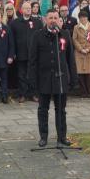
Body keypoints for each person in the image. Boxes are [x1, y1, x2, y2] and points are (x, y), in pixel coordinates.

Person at [28, 9, 77, 147]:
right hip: (43, 78)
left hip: (60, 79)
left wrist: (73, 78)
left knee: (61, 110)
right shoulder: (37, 35)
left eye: (56, 17)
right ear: (45, 20)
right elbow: (32, 60)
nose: (53, 20)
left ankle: (62, 137)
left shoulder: (65, 34)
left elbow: (70, 59)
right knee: (43, 109)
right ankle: (43, 136)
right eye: (50, 18)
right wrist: (32, 80)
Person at [9, 2, 42, 102]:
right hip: (20, 53)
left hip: (34, 53)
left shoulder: (37, 22)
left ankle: (34, 94)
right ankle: (22, 94)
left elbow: (41, 38)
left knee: (33, 74)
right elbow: (11, 39)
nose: (28, 10)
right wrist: (13, 52)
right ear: (21, 10)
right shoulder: (15, 23)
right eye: (26, 8)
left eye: (29, 8)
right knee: (21, 75)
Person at [72, 9, 90, 98]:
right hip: (79, 52)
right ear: (79, 18)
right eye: (81, 18)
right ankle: (83, 92)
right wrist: (80, 49)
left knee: (89, 73)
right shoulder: (76, 27)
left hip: (89, 53)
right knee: (80, 73)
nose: (83, 19)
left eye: (84, 17)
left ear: (87, 18)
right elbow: (74, 39)